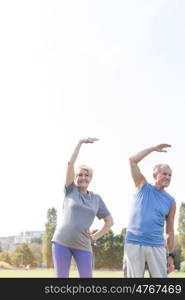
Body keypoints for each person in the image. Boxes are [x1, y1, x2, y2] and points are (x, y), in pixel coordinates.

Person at [51, 137, 113, 278]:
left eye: (87, 175)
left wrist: (96, 236)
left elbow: (109, 221)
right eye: (80, 175)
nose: (83, 177)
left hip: (83, 245)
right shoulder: (70, 190)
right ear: (75, 177)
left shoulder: (96, 199)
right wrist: (80, 143)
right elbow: (70, 163)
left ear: (90, 178)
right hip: (62, 242)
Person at [123, 144, 176, 278]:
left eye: (170, 175)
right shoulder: (142, 186)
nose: (168, 177)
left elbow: (169, 231)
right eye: (164, 173)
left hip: (157, 247)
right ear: (155, 174)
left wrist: (170, 255)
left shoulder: (171, 201)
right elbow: (132, 161)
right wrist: (152, 149)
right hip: (134, 243)